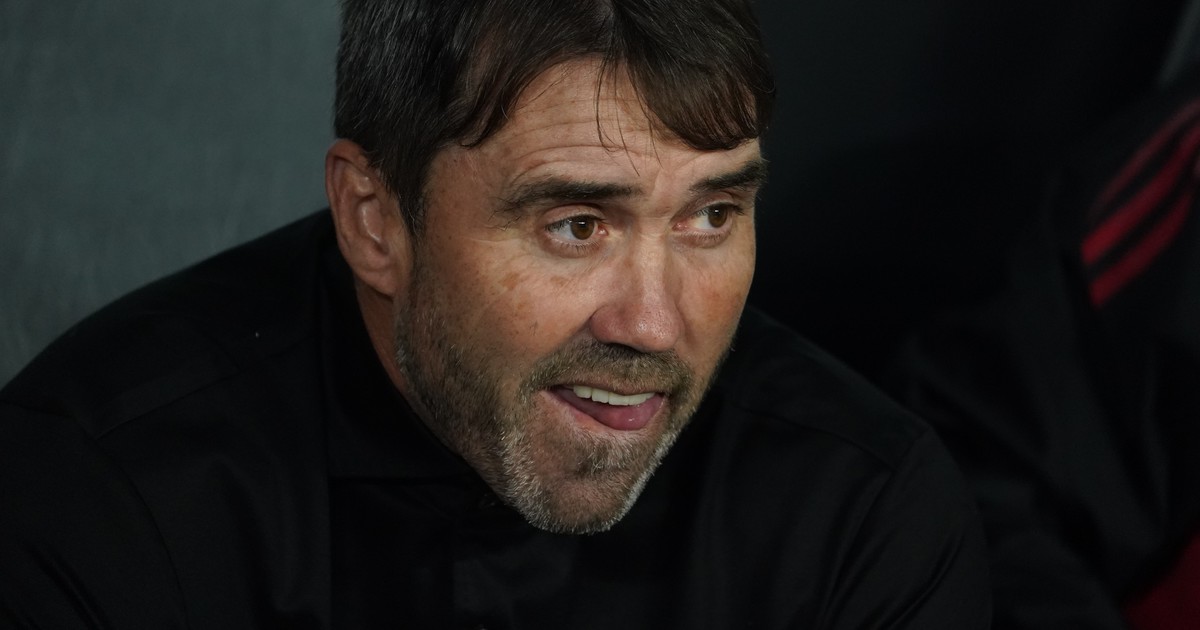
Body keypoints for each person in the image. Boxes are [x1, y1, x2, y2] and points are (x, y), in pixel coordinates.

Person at [0, 0, 990, 627]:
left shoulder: (861, 514)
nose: (654, 325)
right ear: (374, 219)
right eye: (576, 226)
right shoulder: (96, 500)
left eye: (711, 216)